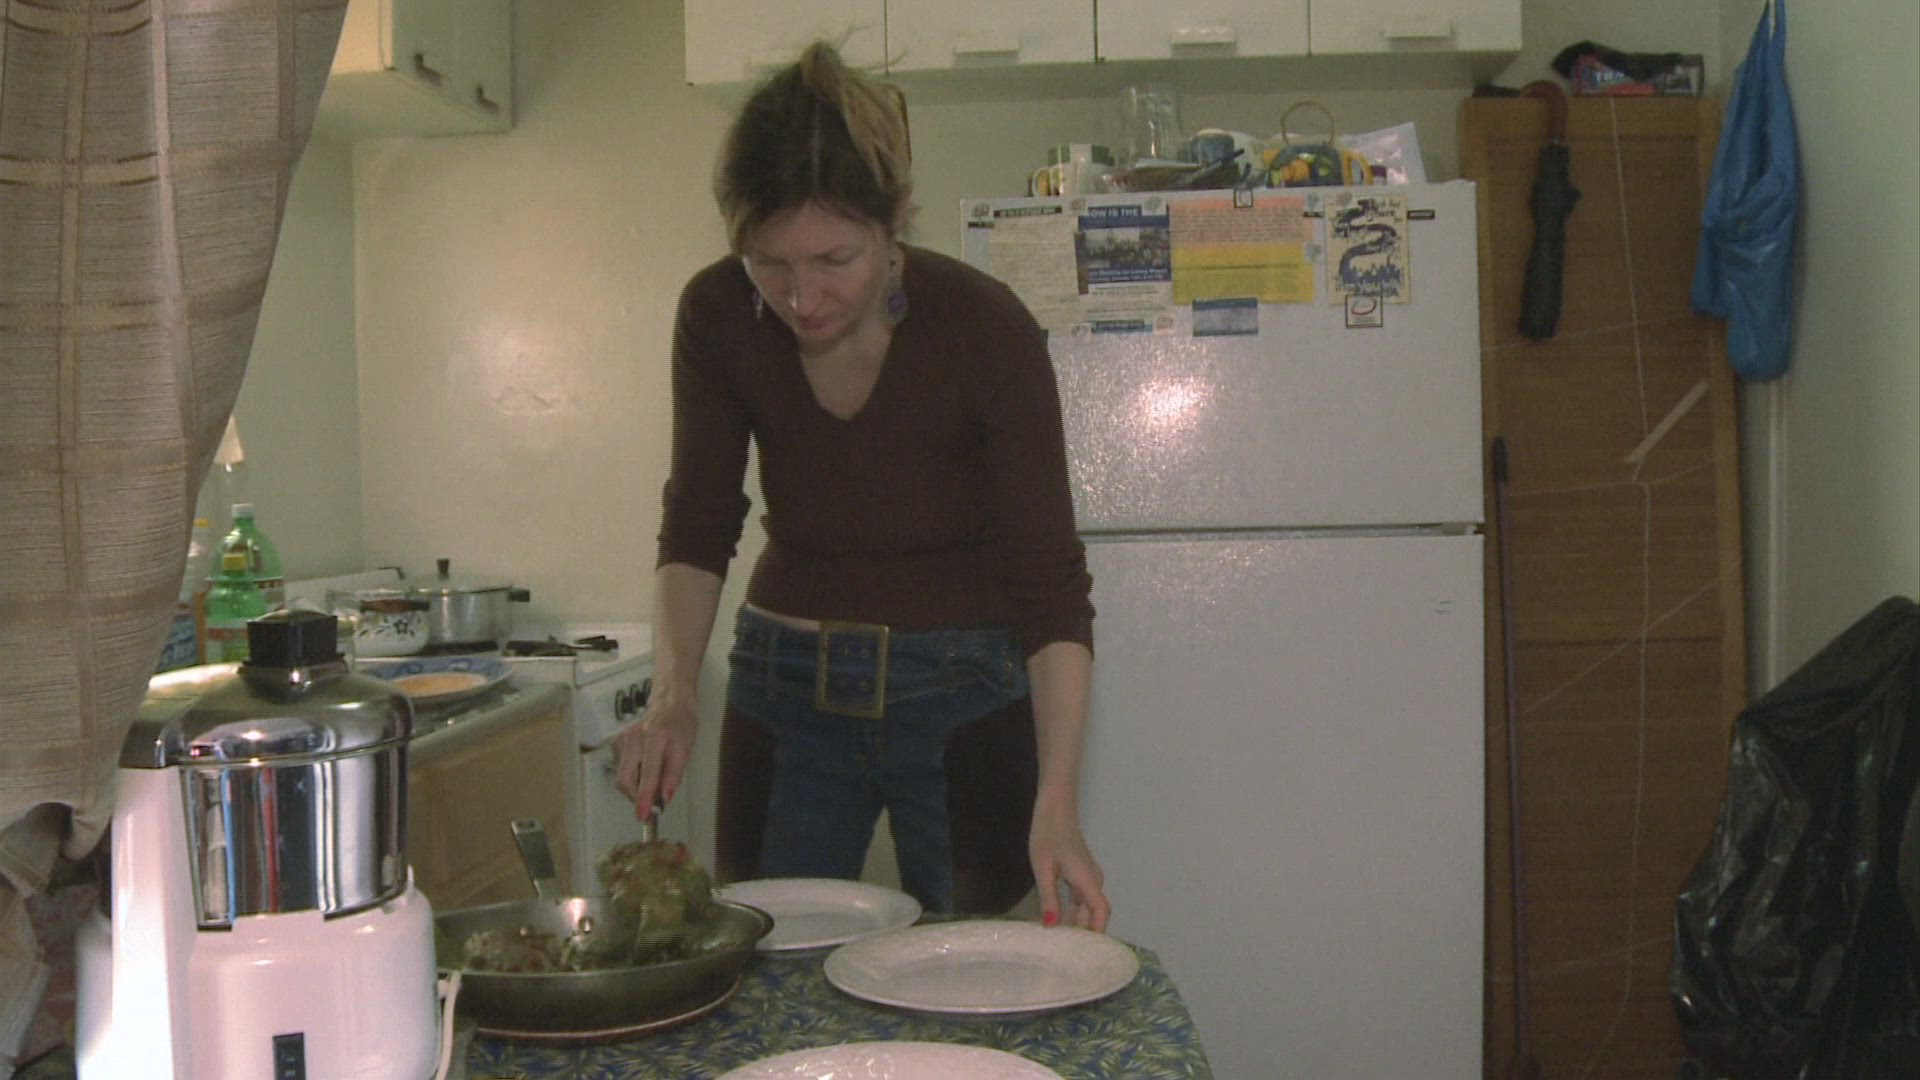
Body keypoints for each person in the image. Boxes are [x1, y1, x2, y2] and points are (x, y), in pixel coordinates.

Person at [611, 41, 1109, 932]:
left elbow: (1051, 588)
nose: (802, 296)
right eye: (770, 262)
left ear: (892, 226)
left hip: (965, 695)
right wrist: (674, 697)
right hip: (783, 690)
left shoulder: (987, 329)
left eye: (834, 258)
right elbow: (698, 523)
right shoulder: (718, 314)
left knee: (972, 965)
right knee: (768, 964)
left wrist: (1058, 802)